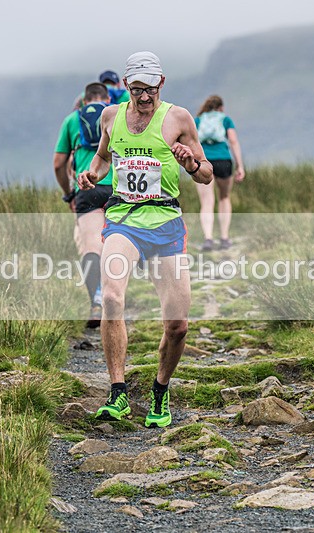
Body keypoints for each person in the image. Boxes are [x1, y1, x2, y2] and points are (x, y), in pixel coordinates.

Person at [78, 51, 213, 428]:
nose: (143, 97)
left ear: (161, 83)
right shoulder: (111, 116)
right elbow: (103, 158)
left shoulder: (179, 118)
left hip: (166, 222)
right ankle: (118, 392)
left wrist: (191, 165)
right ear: (125, 86)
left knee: (178, 326)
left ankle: (160, 390)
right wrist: (92, 174)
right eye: (136, 90)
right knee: (112, 297)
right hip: (123, 219)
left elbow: (206, 174)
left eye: (150, 89)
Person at [54, 82, 114, 328]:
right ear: (107, 98)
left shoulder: (72, 120)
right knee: (117, 245)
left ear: (83, 100)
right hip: (117, 187)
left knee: (91, 247)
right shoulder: (117, 115)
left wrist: (69, 194)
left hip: (87, 188)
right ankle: (115, 298)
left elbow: (58, 164)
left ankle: (97, 302)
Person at [193, 95, 245, 251]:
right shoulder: (225, 120)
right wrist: (240, 166)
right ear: (221, 107)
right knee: (224, 197)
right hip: (223, 160)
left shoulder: (198, 120)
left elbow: (192, 141)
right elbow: (233, 141)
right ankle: (224, 237)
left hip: (204, 161)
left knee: (206, 202)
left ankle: (208, 238)